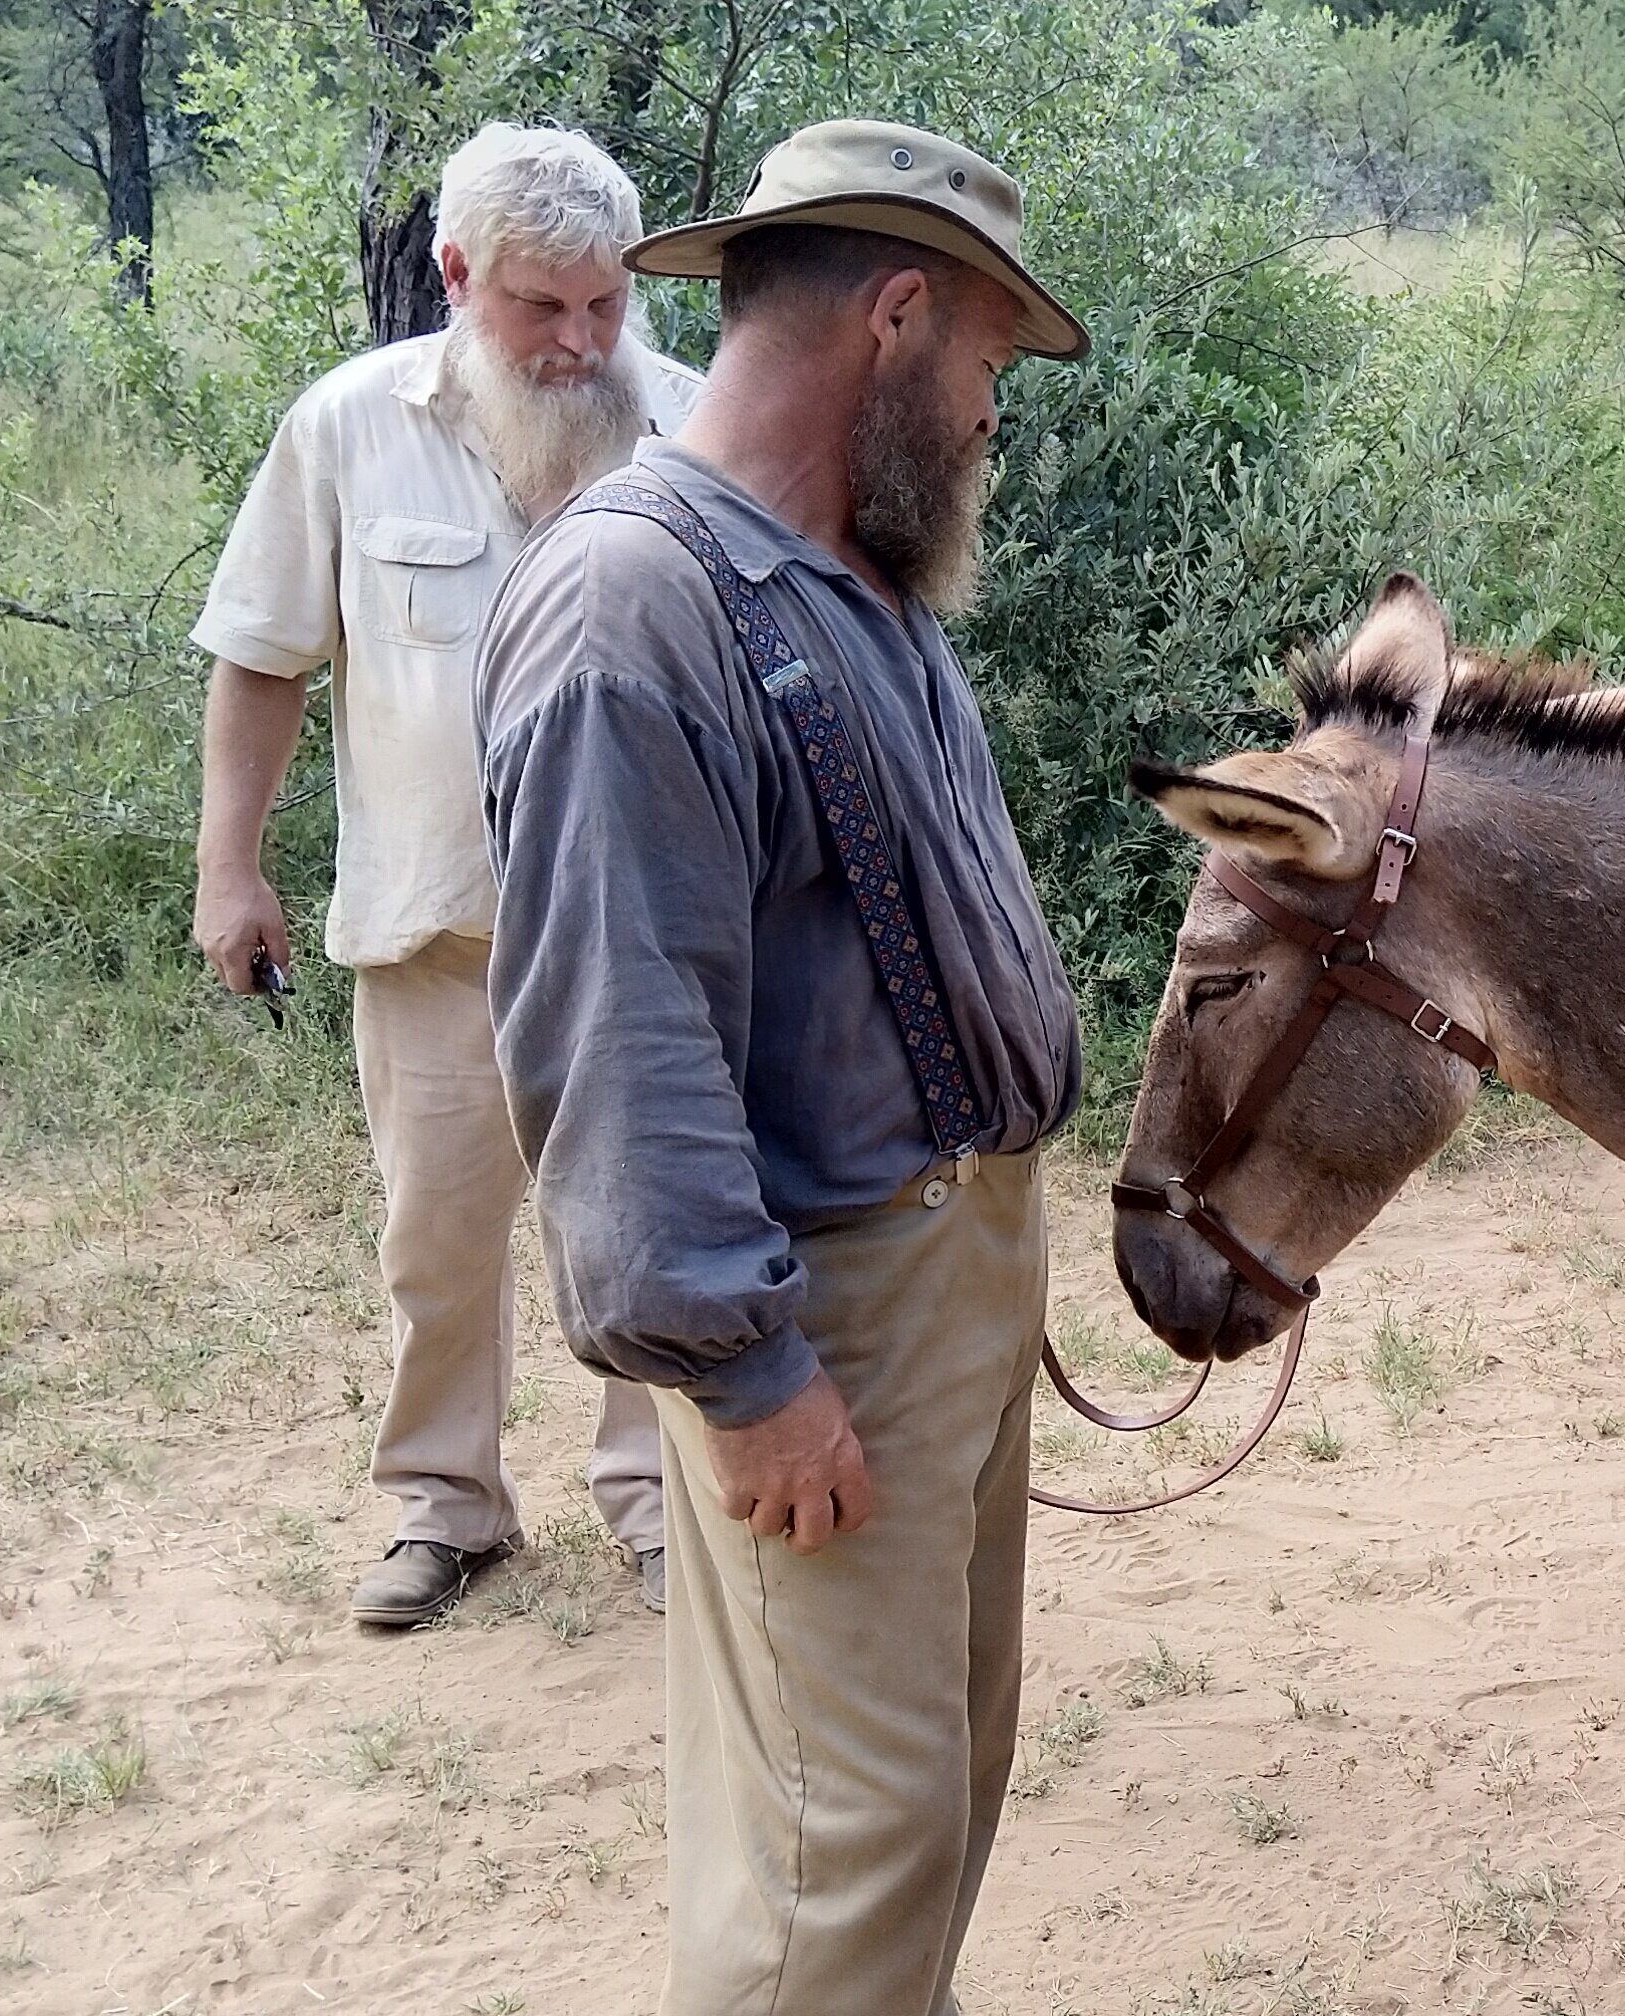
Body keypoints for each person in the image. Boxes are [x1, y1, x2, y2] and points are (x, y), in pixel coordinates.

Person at [473, 119, 1087, 2013]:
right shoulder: (631, 608)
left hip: (946, 1274)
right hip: (827, 1314)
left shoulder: (846, 571)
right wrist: (746, 1371)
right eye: (987, 364)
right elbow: (616, 1031)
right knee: (841, 1848)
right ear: (896, 321)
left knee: (919, 1799)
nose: (991, 416)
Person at [190, 124, 700, 1627]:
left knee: (649, 1223)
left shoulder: (687, 424)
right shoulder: (347, 426)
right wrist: (232, 868)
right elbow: (261, 652)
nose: (581, 339)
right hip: (436, 928)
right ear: (457, 271)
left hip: (650, 935)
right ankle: (446, 1507)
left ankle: (660, 1501)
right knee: (438, 1240)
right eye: (543, 307)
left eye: (604, 303)